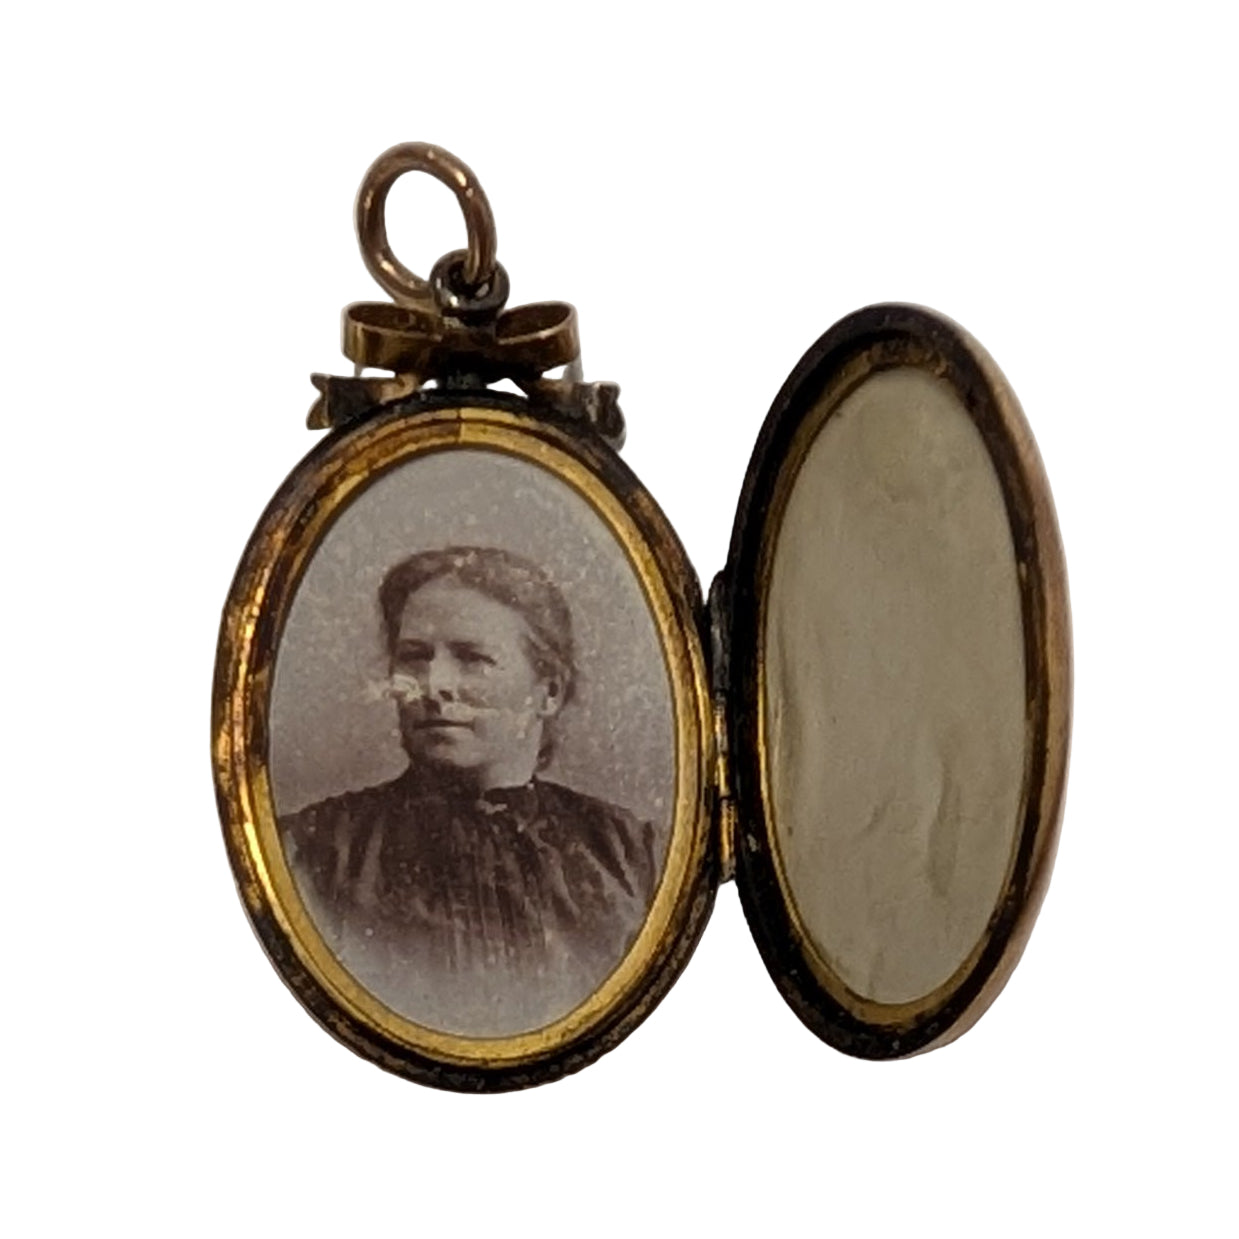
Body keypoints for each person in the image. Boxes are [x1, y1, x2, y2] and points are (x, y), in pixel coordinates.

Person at [280, 546, 659, 1038]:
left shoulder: (630, 859)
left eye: (472, 658)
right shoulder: (312, 854)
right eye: (414, 657)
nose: (433, 684)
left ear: (548, 692)